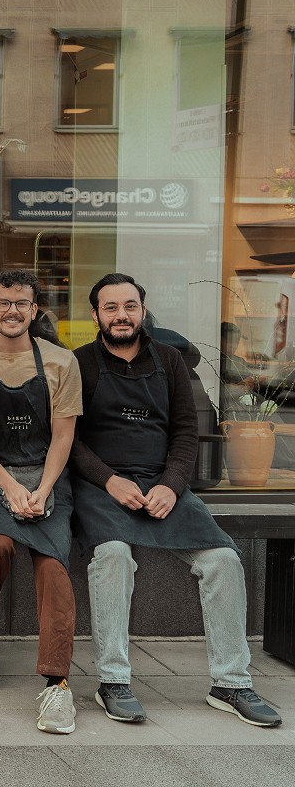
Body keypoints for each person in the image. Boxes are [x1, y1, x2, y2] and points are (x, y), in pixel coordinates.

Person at [71, 273, 282, 728]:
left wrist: (171, 484)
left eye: (130, 306)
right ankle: (113, 680)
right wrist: (109, 481)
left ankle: (231, 682)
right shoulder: (79, 363)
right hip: (101, 488)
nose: (121, 315)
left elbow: (186, 433)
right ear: (96, 316)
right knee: (112, 556)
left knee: (224, 558)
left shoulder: (170, 361)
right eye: (111, 307)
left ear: (142, 311)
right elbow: (68, 440)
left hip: (165, 483)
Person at [0, 269, 81, 734]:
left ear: (34, 309)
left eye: (21, 303)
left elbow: (64, 436)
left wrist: (42, 491)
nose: (11, 311)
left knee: (54, 568)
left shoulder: (62, 362)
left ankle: (57, 685)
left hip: (48, 477)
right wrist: (8, 486)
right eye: (2, 303)